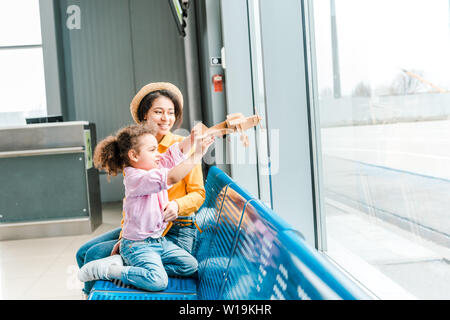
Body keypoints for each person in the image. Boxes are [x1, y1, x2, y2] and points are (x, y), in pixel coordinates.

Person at [75, 82, 207, 295]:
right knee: (85, 253)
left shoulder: (153, 155)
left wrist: (194, 142)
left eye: (171, 112)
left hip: (170, 230)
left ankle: (120, 269)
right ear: (145, 115)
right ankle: (96, 290)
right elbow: (167, 177)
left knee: (93, 254)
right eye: (158, 112)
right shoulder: (140, 154)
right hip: (143, 234)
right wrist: (124, 237)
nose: (166, 118)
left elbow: (195, 188)